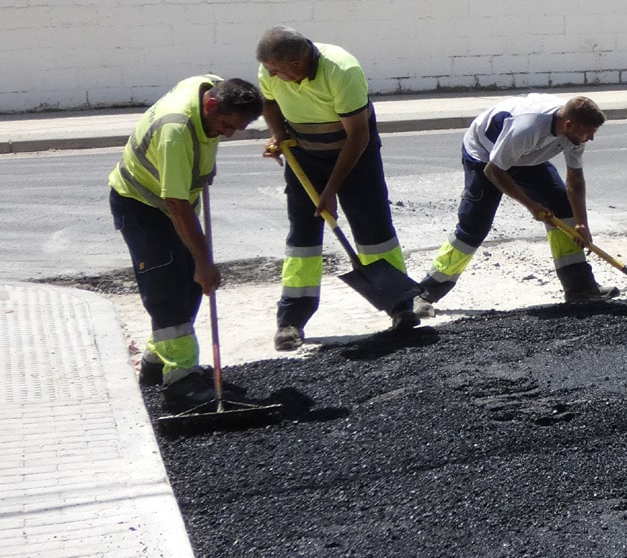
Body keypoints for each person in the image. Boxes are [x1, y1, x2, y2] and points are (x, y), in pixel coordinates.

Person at [109, 75, 264, 402]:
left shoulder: (209, 88)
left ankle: (156, 364)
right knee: (167, 288)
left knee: (191, 283)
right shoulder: (176, 130)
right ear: (211, 105)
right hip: (144, 205)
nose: (227, 134)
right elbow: (175, 204)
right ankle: (181, 381)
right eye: (225, 125)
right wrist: (204, 262)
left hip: (175, 201)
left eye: (235, 129)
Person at [256, 26, 414, 345]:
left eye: (276, 70)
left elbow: (358, 135)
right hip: (304, 155)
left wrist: (330, 190)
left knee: (374, 231)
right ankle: (291, 320)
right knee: (302, 236)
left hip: (355, 155)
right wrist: (278, 135)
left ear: (297, 63)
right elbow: (268, 102)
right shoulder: (270, 68)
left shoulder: (342, 70)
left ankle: (400, 304)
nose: (270, 75)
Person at [418, 94, 614, 307]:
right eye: (588, 132)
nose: (591, 138)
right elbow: (493, 171)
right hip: (485, 156)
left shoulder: (574, 132)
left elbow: (575, 180)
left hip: (524, 157)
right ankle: (424, 293)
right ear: (568, 125)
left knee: (562, 207)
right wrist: (531, 206)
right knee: (474, 226)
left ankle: (580, 288)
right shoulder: (527, 128)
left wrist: (581, 223)